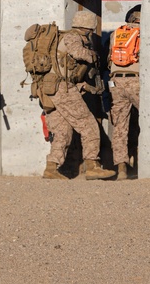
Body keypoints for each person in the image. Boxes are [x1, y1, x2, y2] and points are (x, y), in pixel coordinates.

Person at [43, 10, 116, 180]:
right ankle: (92, 166)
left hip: (55, 88)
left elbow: (67, 71)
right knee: (89, 125)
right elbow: (78, 53)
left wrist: (88, 88)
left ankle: (51, 168)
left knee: (62, 131)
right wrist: (94, 56)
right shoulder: (74, 37)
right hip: (63, 89)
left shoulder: (65, 38)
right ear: (89, 27)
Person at [108, 4, 141, 180]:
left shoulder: (116, 34)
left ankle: (121, 168)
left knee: (120, 126)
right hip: (136, 80)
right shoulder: (144, 33)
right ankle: (143, 165)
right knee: (149, 122)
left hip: (116, 82)